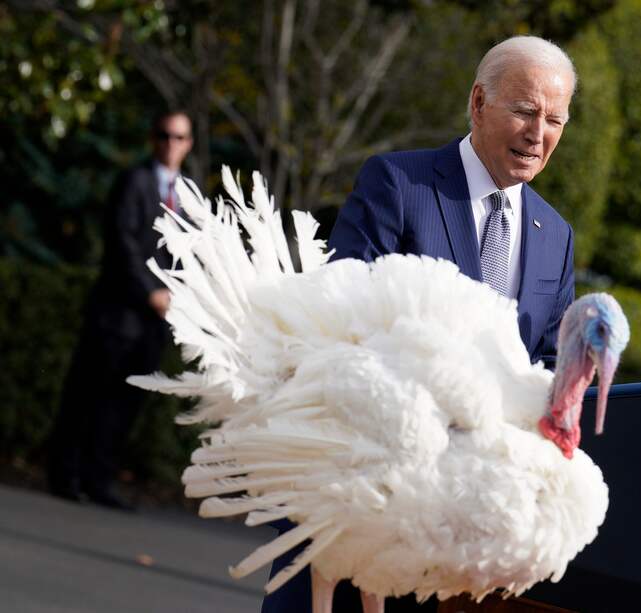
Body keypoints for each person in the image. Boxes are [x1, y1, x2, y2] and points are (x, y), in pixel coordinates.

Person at [261, 35, 577, 612]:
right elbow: (341, 320)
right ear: (479, 103)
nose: (540, 133)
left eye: (555, 118)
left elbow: (548, 368)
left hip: (459, 529)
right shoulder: (399, 184)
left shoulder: (554, 235)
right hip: (360, 494)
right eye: (526, 111)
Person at [46, 110, 195, 510]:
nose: (171, 143)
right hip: (118, 311)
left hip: (155, 322)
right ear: (153, 138)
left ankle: (100, 478)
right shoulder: (135, 181)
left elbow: (191, 253)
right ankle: (65, 473)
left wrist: (179, 296)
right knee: (87, 393)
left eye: (179, 137)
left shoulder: (189, 193)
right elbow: (122, 243)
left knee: (124, 403)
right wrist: (151, 291)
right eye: (164, 135)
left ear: (189, 143)